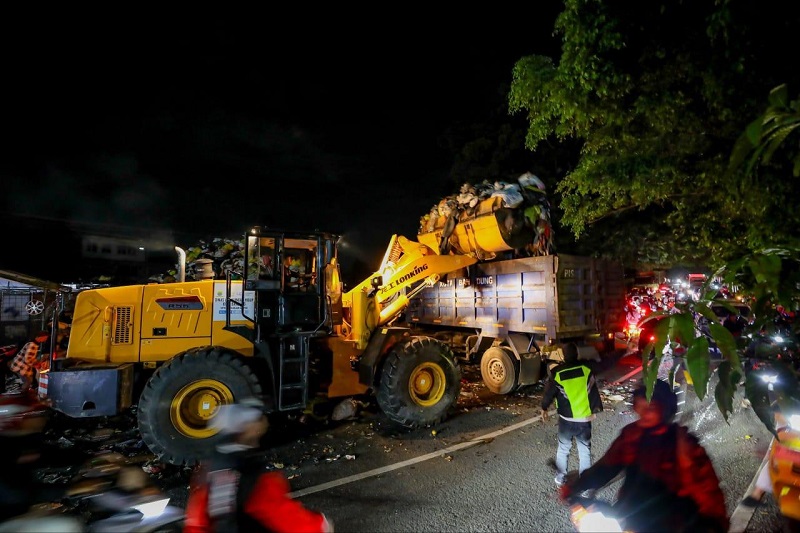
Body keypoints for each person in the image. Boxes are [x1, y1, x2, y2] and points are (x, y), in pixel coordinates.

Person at [562, 379, 729, 533]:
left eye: (650, 409)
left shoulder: (685, 446)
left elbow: (708, 493)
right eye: (639, 408)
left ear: (665, 409)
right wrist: (577, 485)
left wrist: (713, 525)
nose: (643, 414)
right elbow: (607, 466)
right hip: (629, 518)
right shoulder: (631, 436)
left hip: (672, 523)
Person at [184, 398, 333, 533]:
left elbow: (198, 515)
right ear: (245, 429)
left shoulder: (213, 465)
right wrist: (320, 525)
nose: (263, 422)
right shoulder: (248, 472)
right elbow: (278, 511)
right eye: (257, 419)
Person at [541, 342, 603, 487]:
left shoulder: (557, 373)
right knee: (584, 450)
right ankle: (585, 481)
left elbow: (549, 393)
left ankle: (561, 477)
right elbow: (606, 363)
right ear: (577, 354)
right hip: (584, 419)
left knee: (563, 448)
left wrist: (544, 408)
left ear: (562, 356)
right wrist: (626, 350)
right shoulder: (587, 368)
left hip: (566, 420)